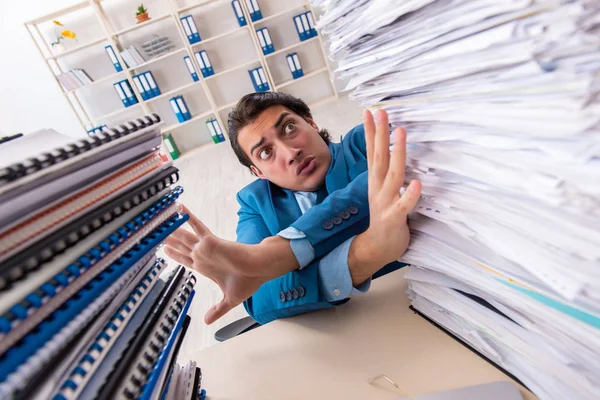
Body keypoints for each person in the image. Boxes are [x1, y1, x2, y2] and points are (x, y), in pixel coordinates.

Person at [165, 92, 421, 325]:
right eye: (266, 152)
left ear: (311, 124)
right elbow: (259, 298)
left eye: (289, 128)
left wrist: (282, 252)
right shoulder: (254, 204)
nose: (290, 153)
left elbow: (394, 174)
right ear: (258, 172)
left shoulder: (362, 142)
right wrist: (367, 253)